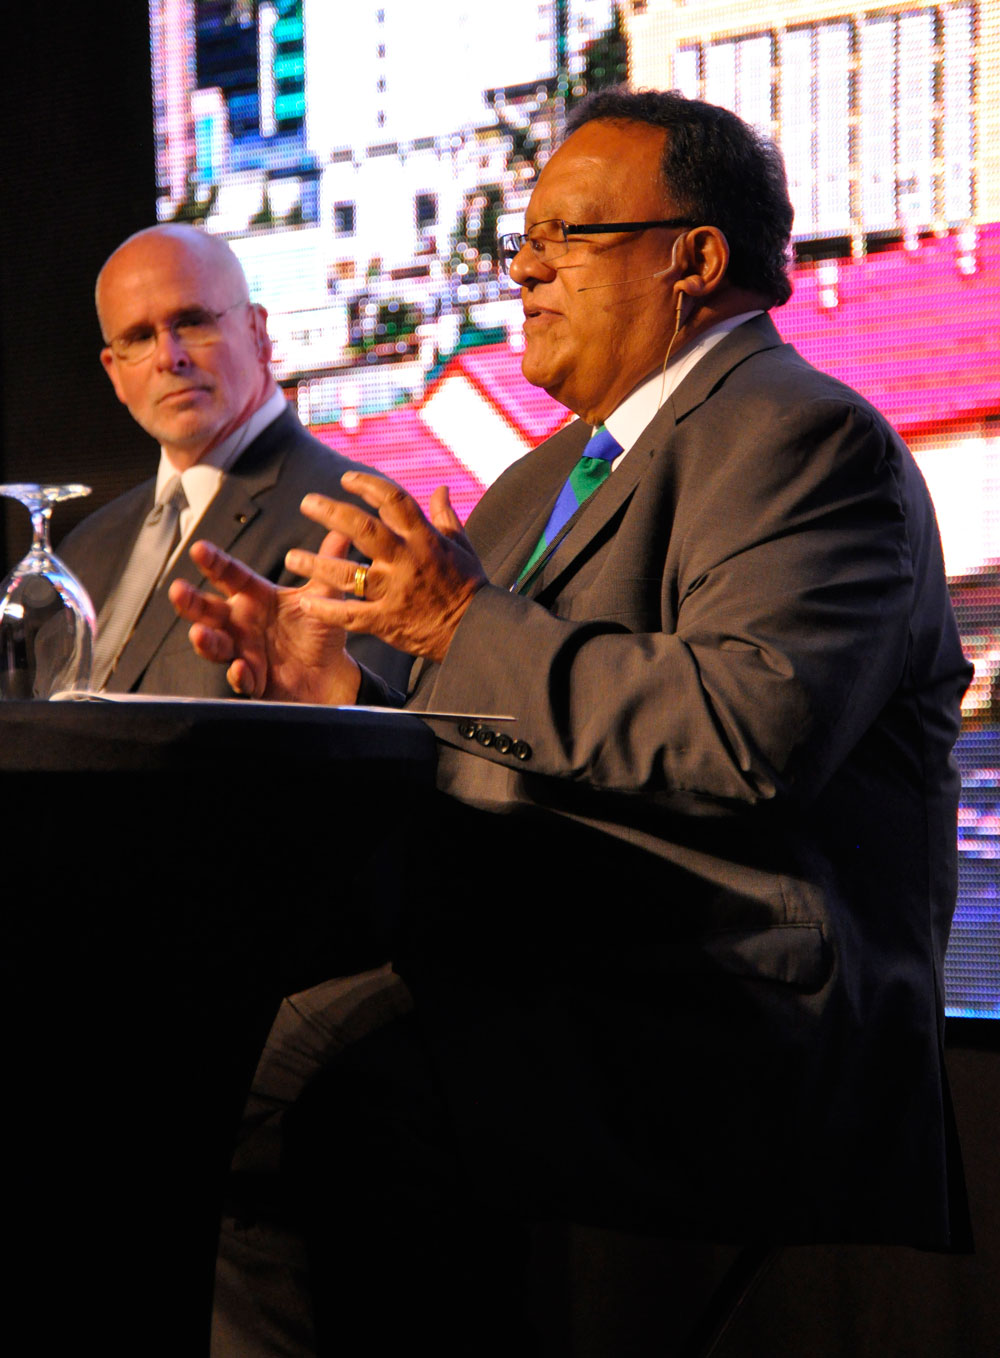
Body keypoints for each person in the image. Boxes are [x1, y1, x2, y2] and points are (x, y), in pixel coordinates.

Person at [172, 90, 972, 1354]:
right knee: (211, 1033)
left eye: (565, 237)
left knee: (302, 1074)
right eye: (522, 240)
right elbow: (493, 730)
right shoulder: (541, 476)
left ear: (691, 259)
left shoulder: (809, 440)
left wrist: (456, 622)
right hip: (551, 959)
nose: (523, 268)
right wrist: (342, 690)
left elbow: (746, 732)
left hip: (730, 1006)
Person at [60, 223, 408, 696]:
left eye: (192, 322)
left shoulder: (356, 522)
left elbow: (375, 730)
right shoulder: (82, 550)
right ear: (114, 372)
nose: (168, 357)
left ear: (258, 333)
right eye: (139, 338)